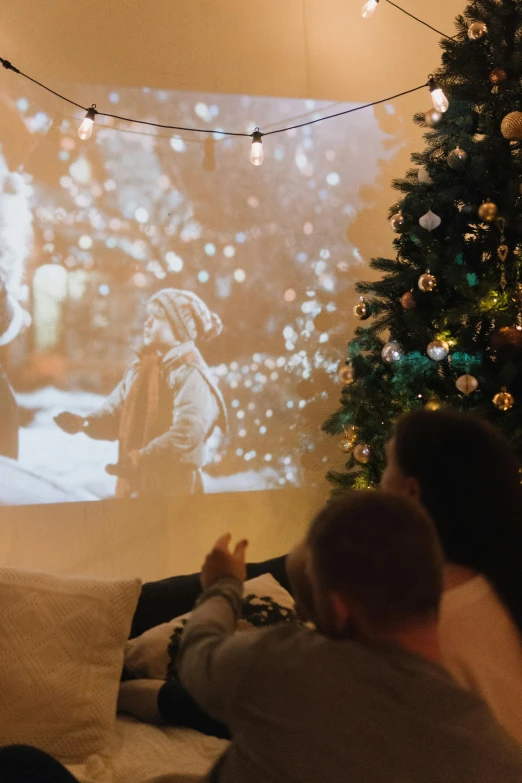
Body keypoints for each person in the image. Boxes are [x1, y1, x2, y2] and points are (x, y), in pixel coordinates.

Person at [3, 493, 522, 783]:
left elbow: (200, 654)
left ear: (338, 610)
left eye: (305, 596)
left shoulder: (285, 668)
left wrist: (225, 587)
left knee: (21, 763)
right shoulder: (493, 749)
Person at [379, 408, 522, 744]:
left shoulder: (423, 625)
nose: (380, 481)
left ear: (412, 492)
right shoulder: (496, 587)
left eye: (387, 464)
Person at [54, 288, 227, 498]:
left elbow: (188, 431)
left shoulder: (190, 374)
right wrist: (85, 423)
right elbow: (115, 413)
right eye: (148, 316)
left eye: (158, 318)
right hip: (135, 481)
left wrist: (143, 457)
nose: (148, 323)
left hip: (174, 486)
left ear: (180, 330)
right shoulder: (140, 370)